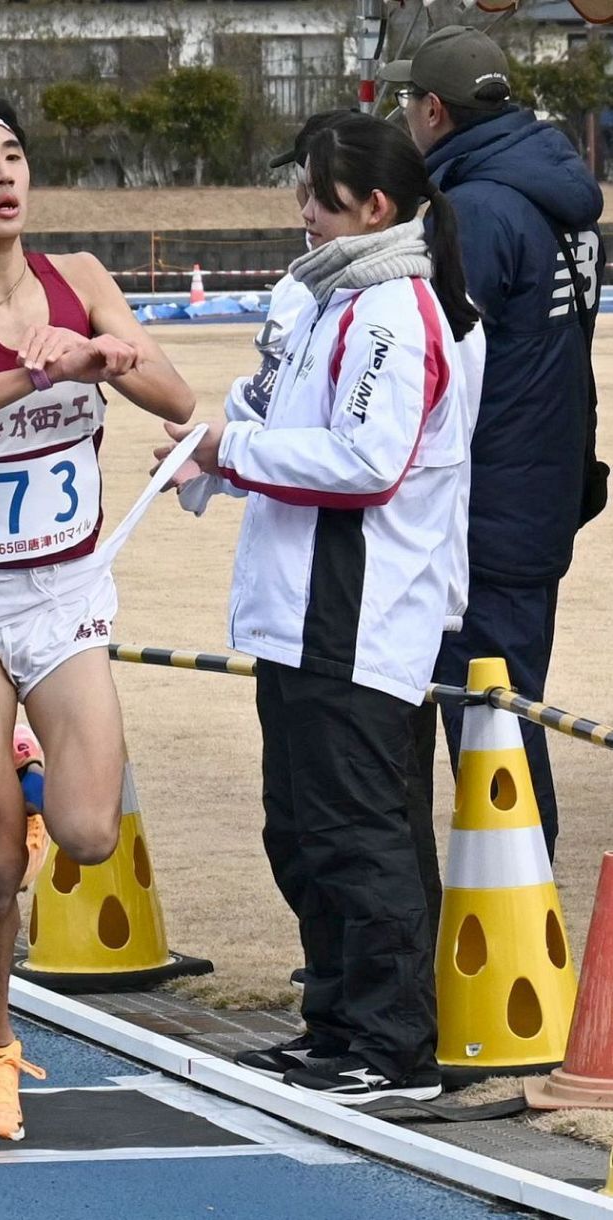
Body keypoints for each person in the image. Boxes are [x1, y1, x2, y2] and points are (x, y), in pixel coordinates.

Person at [0, 88, 194, 1141]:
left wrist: (113, 358)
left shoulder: (83, 280)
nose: (4, 172)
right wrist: (31, 371)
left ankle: (30, 770)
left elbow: (178, 400)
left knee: (90, 833)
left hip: (64, 594)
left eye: (13, 152)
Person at [156, 112, 484, 1104]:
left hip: (356, 614)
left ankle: (392, 1045)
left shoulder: (394, 310)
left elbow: (367, 462)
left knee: (357, 834)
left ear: (374, 208)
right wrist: (212, 460)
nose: (302, 212)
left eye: (318, 197)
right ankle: (336, 1024)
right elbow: (273, 419)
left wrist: (231, 451)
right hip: (297, 611)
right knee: (301, 831)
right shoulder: (322, 297)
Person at [380, 26, 607, 861]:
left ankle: (514, 898)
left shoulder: (473, 211)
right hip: (540, 484)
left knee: (489, 712)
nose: (405, 116)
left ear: (433, 111)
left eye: (407, 101)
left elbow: (431, 362)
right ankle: (511, 888)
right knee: (506, 700)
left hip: (482, 504)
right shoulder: (555, 195)